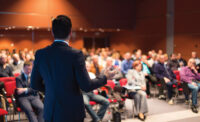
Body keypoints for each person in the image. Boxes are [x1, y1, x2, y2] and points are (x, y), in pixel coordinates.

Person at [30, 15, 112, 122]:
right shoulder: (75, 54)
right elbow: (86, 86)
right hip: (71, 111)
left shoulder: (41, 54)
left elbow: (34, 84)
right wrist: (105, 77)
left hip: (51, 110)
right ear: (70, 32)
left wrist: (52, 90)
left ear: (52, 32)